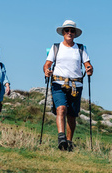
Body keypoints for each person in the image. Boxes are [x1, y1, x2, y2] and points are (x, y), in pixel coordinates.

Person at [43, 20, 93, 151]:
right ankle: (61, 138)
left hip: (76, 85)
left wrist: (89, 69)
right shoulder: (56, 47)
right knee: (61, 109)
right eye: (67, 30)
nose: (69, 33)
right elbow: (47, 63)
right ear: (63, 33)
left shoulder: (81, 49)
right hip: (58, 83)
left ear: (75, 34)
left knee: (72, 115)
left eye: (72, 31)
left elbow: (87, 64)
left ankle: (69, 143)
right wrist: (46, 70)